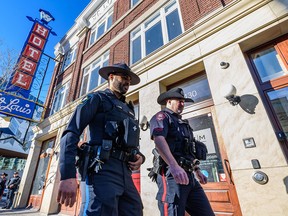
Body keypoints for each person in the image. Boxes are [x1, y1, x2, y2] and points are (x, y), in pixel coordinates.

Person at [57, 62, 145, 216]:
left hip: (125, 171)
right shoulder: (96, 98)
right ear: (111, 77)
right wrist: (68, 175)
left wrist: (140, 157)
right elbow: (70, 133)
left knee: (135, 210)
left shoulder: (129, 109)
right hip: (102, 169)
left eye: (129, 80)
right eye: (124, 77)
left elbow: (131, 140)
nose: (127, 82)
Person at [149, 87, 214, 216]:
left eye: (184, 101)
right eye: (179, 100)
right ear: (168, 101)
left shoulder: (183, 123)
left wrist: (197, 170)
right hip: (172, 175)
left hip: (189, 176)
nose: (182, 104)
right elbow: (159, 139)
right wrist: (174, 166)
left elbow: (188, 150)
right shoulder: (162, 117)